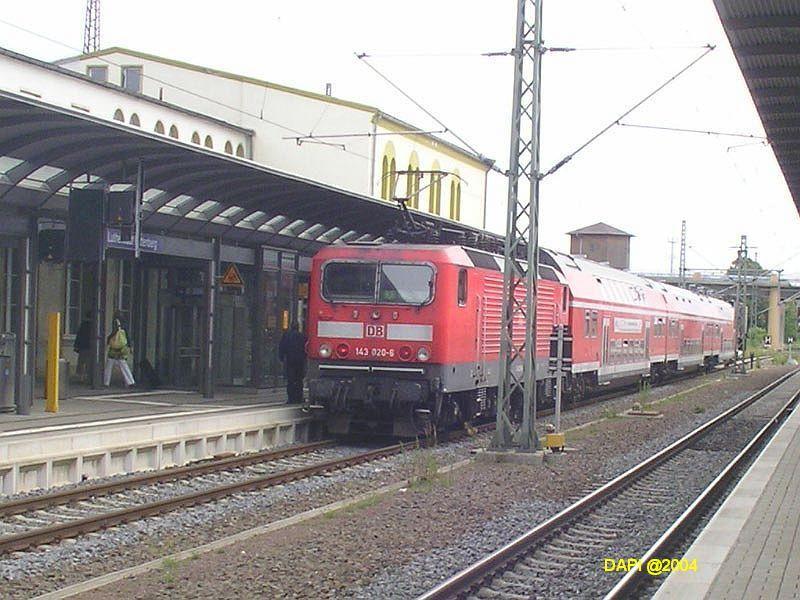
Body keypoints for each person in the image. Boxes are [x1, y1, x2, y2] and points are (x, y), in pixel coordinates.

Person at [105, 311, 135, 388]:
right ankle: (130, 381)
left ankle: (106, 382)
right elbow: (127, 335)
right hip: (122, 347)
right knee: (123, 364)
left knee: (109, 364)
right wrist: (130, 346)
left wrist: (108, 339)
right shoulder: (125, 324)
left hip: (114, 347)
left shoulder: (116, 322)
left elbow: (114, 332)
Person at [278, 322, 307, 404]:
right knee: (299, 380)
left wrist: (281, 357)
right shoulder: (303, 337)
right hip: (300, 361)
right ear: (298, 327)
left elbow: (282, 347)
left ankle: (291, 398)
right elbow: (306, 349)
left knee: (290, 380)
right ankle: (299, 397)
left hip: (290, 360)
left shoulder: (286, 336)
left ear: (291, 327)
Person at [73, 312, 92, 383]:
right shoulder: (94, 325)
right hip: (90, 346)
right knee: (88, 363)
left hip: (83, 347)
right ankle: (87, 377)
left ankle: (80, 376)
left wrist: (76, 346)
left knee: (81, 362)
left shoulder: (83, 325)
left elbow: (79, 336)